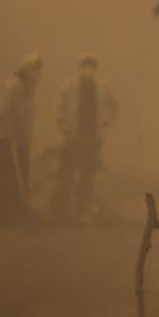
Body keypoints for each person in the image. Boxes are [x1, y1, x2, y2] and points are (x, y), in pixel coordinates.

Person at [50, 53, 118, 222]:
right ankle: (61, 209)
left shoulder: (102, 88)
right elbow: (59, 110)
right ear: (79, 69)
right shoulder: (68, 87)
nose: (87, 70)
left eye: (91, 67)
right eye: (84, 67)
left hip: (93, 137)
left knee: (88, 173)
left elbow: (114, 106)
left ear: (95, 69)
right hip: (73, 137)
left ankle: (80, 210)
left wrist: (105, 122)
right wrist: (65, 128)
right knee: (67, 173)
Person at [0, 54, 42, 226]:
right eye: (33, 71)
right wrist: (8, 130)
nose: (36, 75)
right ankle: (2, 218)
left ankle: (16, 214)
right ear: (25, 71)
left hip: (22, 140)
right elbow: (2, 112)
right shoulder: (13, 87)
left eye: (38, 72)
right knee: (7, 179)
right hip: (7, 141)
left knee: (20, 178)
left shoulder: (29, 90)